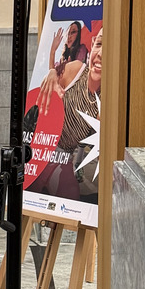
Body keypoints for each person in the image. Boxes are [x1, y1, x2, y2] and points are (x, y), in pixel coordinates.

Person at [34, 25, 103, 200]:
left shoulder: (107, 102)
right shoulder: (76, 70)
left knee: (70, 196)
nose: (101, 54)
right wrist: (51, 73)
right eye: (99, 44)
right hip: (38, 150)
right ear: (93, 44)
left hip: (62, 160)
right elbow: (42, 96)